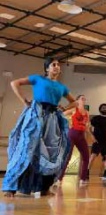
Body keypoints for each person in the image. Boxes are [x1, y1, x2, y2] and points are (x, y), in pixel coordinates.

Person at [2, 58, 76, 197]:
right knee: (25, 149)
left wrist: (64, 107)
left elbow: (75, 102)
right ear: (47, 68)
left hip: (52, 119)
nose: (56, 67)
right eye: (53, 65)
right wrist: (24, 101)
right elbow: (14, 83)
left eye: (58, 65)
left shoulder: (62, 87)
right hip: (36, 116)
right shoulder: (37, 79)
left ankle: (44, 187)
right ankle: (10, 187)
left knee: (51, 153)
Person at [57, 95, 90, 186]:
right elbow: (62, 115)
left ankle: (82, 179)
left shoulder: (87, 113)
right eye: (81, 98)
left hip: (81, 135)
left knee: (86, 157)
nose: (84, 100)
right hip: (72, 134)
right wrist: (66, 126)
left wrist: (91, 136)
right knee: (68, 157)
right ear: (77, 101)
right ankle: (59, 179)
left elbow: (87, 127)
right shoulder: (74, 110)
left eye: (84, 98)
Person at [88, 103, 106, 178]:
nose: (104, 109)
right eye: (103, 108)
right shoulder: (95, 118)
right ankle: (87, 172)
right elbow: (89, 128)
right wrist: (92, 137)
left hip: (105, 141)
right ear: (100, 109)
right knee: (93, 156)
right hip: (97, 140)